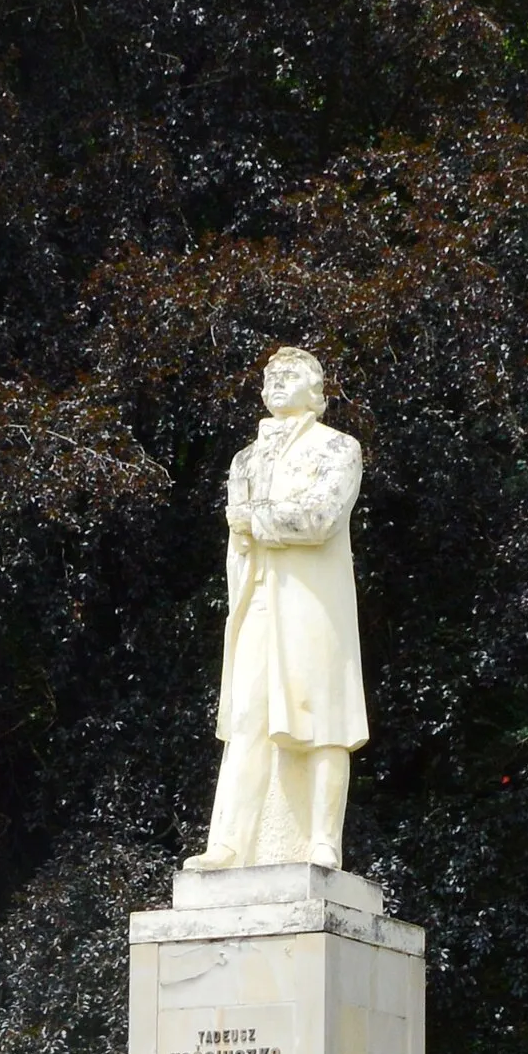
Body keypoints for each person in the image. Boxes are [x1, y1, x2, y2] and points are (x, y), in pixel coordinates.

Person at [186, 346, 368, 872]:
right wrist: (250, 527)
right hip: (258, 597)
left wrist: (256, 519)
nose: (278, 382)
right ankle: (229, 843)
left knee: (323, 714)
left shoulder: (337, 448)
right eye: (270, 376)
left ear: (316, 390)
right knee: (248, 719)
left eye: (291, 374)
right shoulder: (245, 459)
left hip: (313, 601)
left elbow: (319, 518)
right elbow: (235, 531)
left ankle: (323, 841)